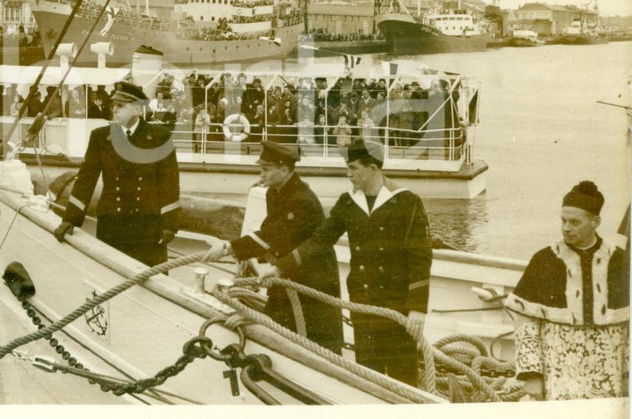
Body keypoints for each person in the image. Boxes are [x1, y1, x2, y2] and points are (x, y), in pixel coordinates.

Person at [287, 139, 432, 386]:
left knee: (402, 375)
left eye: (354, 168)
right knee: (368, 374)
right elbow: (319, 240)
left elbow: (421, 256)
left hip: (397, 305)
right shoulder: (348, 202)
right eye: (348, 167)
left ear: (373, 168)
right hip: (363, 302)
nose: (348, 174)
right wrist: (282, 266)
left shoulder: (407, 202)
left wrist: (418, 307)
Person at [212, 142, 343, 353]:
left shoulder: (302, 200)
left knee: (313, 343)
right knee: (277, 328)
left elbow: (273, 235)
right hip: (284, 274)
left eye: (266, 169)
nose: (261, 174)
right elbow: (270, 230)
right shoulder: (274, 192)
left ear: (283, 170)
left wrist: (228, 248)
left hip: (310, 281)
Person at [504, 181, 629, 401]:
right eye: (563, 221)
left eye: (574, 222)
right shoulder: (544, 260)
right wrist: (532, 375)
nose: (566, 228)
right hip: (559, 368)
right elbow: (525, 323)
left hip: (610, 367)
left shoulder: (620, 261)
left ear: (595, 222)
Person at [54, 81, 180, 266]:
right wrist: (70, 218)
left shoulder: (160, 137)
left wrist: (169, 225)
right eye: (113, 105)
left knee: (149, 282)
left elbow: (169, 183)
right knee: (109, 279)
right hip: (112, 225)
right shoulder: (100, 137)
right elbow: (86, 179)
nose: (114, 110)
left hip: (147, 228)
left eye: (120, 106)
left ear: (137, 110)